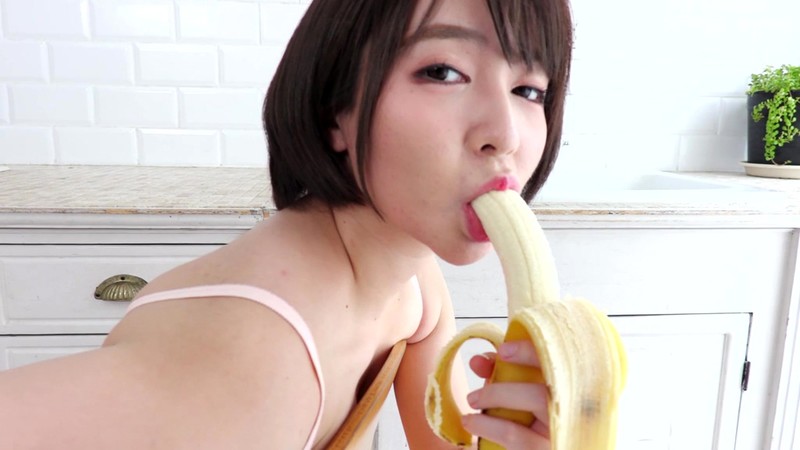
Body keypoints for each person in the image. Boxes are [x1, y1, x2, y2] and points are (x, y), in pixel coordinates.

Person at [0, 0, 572, 448]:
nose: (506, 134)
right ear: (335, 111)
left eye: (529, 90)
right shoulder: (255, 361)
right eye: (443, 71)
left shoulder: (413, 280)